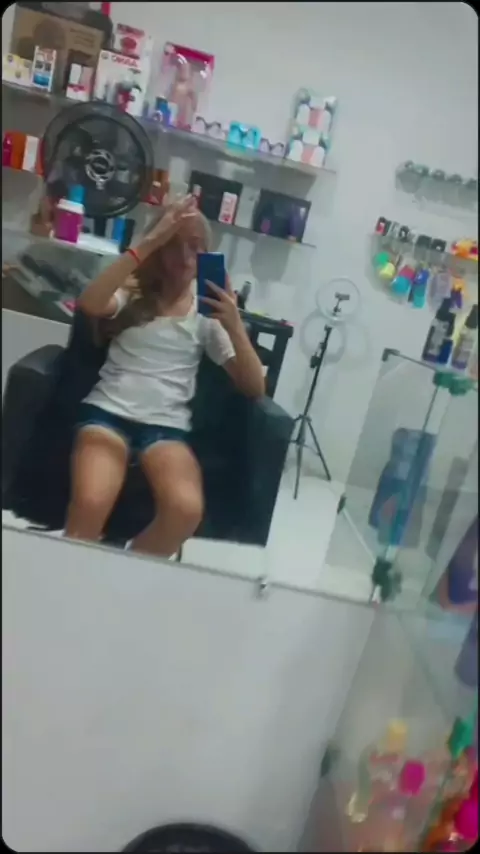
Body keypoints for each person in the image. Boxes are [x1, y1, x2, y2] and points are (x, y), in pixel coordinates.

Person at [66, 195, 265, 558]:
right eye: (173, 245)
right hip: (107, 415)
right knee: (90, 504)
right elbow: (90, 304)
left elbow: (254, 387)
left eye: (195, 247)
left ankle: (123, 572)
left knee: (185, 511)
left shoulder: (208, 314)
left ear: (207, 254)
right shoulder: (132, 290)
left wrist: (235, 325)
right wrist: (150, 240)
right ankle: (70, 577)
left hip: (166, 429)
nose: (185, 258)